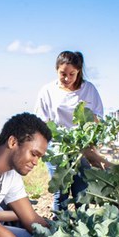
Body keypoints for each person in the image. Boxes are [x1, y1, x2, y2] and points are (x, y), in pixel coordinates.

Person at [34, 50, 107, 207]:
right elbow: (41, 121)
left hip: (83, 149)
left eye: (71, 74)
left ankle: (83, 227)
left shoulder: (89, 89)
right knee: (61, 192)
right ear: (56, 70)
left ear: (79, 72)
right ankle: (59, 227)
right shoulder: (47, 91)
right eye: (63, 74)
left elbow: (98, 118)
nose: (67, 78)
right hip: (57, 148)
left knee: (82, 191)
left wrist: (87, 135)